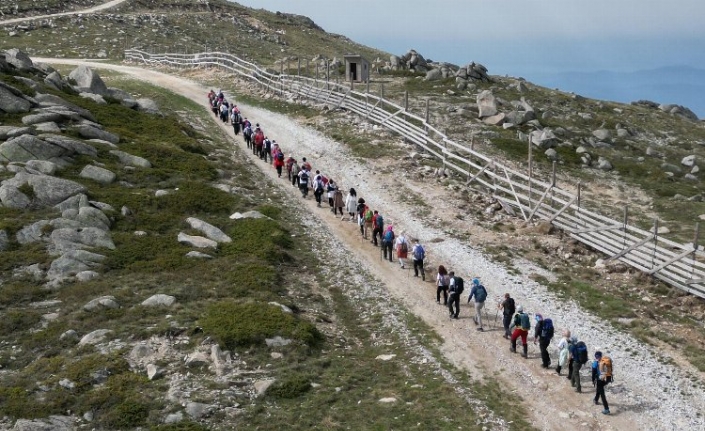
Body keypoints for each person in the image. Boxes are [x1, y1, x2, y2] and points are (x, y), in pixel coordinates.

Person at [591, 351, 612, 415]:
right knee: (599, 388)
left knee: (602, 394)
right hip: (607, 379)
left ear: (595, 356)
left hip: (600, 379)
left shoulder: (596, 363)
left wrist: (593, 380)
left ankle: (606, 409)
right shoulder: (605, 361)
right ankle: (596, 399)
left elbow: (593, 373)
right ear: (601, 355)